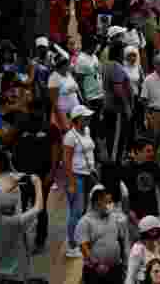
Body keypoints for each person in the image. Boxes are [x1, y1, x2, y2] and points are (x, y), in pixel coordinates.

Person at [0, 177, 45, 283]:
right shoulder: (16, 222)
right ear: (13, 209)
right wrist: (38, 183)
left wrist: (11, 186)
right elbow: (39, 207)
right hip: (12, 275)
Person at [64, 104, 97, 258]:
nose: (89, 119)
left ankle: (80, 239)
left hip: (87, 175)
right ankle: (71, 246)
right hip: (76, 177)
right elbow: (67, 161)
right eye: (86, 117)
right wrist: (70, 183)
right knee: (75, 212)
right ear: (77, 120)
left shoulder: (87, 131)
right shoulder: (70, 137)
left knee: (83, 210)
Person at [78, 184, 128, 284]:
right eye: (106, 202)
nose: (109, 206)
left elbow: (121, 241)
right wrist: (96, 265)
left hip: (115, 270)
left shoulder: (114, 218)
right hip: (95, 271)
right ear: (97, 203)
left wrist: (125, 262)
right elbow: (84, 247)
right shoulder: (85, 222)